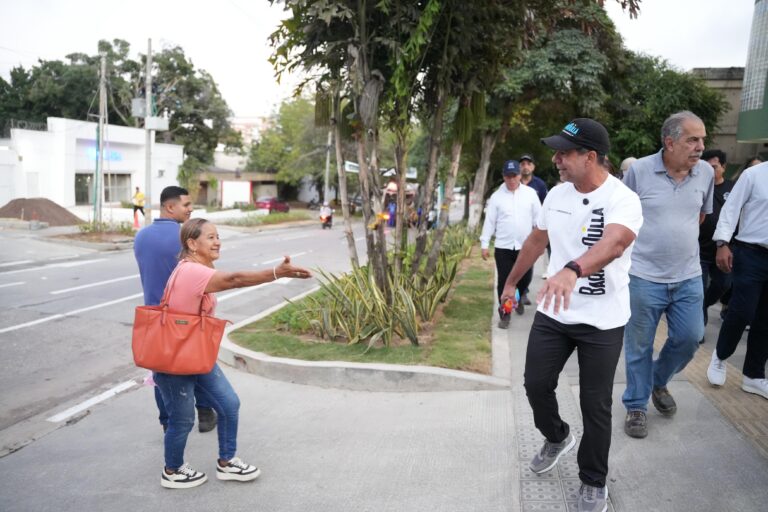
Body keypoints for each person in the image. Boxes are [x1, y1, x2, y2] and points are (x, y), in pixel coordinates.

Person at [501, 118, 642, 512]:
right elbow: (536, 240)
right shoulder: (558, 195)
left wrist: (572, 269)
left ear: (590, 157)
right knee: (535, 384)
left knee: (595, 403)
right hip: (555, 312)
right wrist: (512, 282)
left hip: (603, 319)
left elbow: (614, 243)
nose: (555, 158)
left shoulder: (622, 199)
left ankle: (593, 481)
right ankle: (558, 436)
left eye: (564, 152)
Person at [156, 218, 312, 488]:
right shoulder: (191, 271)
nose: (217, 241)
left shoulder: (199, 266)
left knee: (228, 404)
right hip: (174, 359)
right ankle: (173, 470)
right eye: (210, 237)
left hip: (196, 355)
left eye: (218, 236)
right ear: (192, 244)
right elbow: (235, 279)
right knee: (182, 419)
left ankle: (227, 462)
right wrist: (278, 272)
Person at [621, 111, 714, 439]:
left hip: (688, 276)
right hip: (643, 276)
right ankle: (635, 404)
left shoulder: (704, 173)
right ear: (669, 142)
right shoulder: (639, 172)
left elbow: (701, 215)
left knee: (690, 337)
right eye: (693, 139)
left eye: (702, 139)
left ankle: (657, 381)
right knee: (638, 345)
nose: (701, 147)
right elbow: (621, 218)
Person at [134, 186, 218, 434]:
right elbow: (205, 276)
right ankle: (204, 413)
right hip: (186, 316)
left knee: (160, 373)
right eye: (186, 205)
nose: (191, 209)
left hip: (153, 317)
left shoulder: (141, 236)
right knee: (196, 366)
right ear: (170, 207)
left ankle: (166, 422)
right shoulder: (187, 238)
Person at [707, 161, 768, 399]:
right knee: (742, 312)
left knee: (766, 320)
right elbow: (730, 209)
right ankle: (720, 356)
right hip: (751, 253)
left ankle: (753, 376)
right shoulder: (754, 175)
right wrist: (722, 243)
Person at [480, 159, 541, 328]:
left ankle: (519, 295)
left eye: (514, 176)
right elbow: (490, 222)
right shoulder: (496, 197)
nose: (512, 180)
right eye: (508, 176)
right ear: (504, 177)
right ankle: (505, 313)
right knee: (505, 281)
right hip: (504, 247)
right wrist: (484, 243)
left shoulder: (530, 194)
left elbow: (539, 219)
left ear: (520, 176)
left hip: (526, 246)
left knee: (524, 278)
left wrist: (540, 243)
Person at [698, 149, 734, 343]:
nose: (710, 171)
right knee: (699, 289)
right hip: (699, 250)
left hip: (724, 250)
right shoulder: (699, 187)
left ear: (723, 167)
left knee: (724, 284)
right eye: (707, 167)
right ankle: (698, 328)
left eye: (714, 167)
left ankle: (699, 307)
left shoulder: (732, 188)